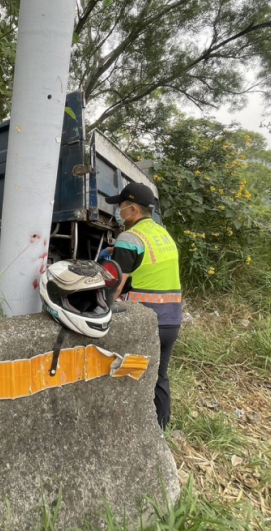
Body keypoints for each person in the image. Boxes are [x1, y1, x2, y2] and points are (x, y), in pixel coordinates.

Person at [98, 182, 182, 430]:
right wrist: (117, 251)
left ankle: (125, 429)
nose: (118, 213)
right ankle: (160, 431)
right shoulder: (162, 234)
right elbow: (148, 262)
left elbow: (115, 285)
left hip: (145, 321)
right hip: (171, 321)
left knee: (126, 375)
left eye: (121, 208)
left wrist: (99, 305)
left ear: (132, 209)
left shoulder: (129, 236)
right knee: (159, 376)